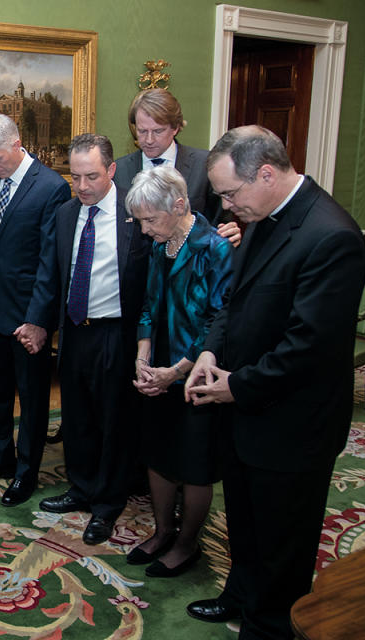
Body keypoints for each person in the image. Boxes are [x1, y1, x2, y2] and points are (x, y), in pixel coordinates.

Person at [184, 125, 365, 638]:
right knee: (245, 523)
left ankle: (268, 625)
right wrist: (209, 351)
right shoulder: (260, 212)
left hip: (293, 425)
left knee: (282, 544)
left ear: (266, 173)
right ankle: (240, 595)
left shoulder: (332, 236)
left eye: (228, 193)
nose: (224, 205)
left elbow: (307, 350)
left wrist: (235, 386)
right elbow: (234, 301)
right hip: (246, 410)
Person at [37, 134, 150, 544]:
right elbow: (52, 275)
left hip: (115, 333)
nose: (82, 186)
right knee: (78, 417)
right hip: (73, 332)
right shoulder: (67, 214)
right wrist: (39, 323)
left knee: (112, 421)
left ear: (112, 170)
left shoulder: (136, 213)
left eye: (91, 176)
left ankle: (106, 504)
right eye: (75, 177)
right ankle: (80, 488)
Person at [0, 113, 71, 507]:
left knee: (33, 398)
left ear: (17, 143)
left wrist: (38, 320)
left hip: (26, 317)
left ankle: (26, 473)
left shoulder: (52, 187)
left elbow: (48, 263)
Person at [124, 166, 232, 577]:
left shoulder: (214, 247)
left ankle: (187, 544)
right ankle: (162, 531)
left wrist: (178, 371)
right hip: (161, 363)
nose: (146, 230)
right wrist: (143, 355)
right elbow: (149, 305)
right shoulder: (159, 245)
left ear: (181, 205)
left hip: (200, 367)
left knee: (193, 461)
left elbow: (216, 320)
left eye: (151, 220)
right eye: (140, 221)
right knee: (157, 450)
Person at [114, 89, 241, 247]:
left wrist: (228, 234)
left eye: (158, 131)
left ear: (175, 128)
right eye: (142, 131)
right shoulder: (120, 170)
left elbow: (221, 221)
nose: (149, 139)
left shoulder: (204, 165)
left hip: (190, 266)